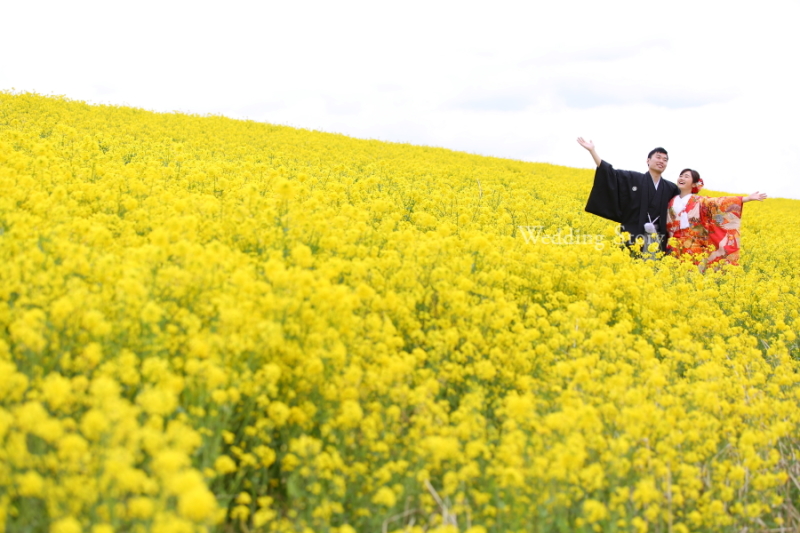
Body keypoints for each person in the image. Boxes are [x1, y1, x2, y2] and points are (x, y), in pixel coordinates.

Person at [577, 138, 679, 256]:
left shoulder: (671, 188)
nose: (662, 161)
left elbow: (679, 209)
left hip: (657, 237)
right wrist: (592, 151)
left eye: (665, 160)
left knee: (653, 268)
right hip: (633, 233)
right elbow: (610, 173)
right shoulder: (632, 178)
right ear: (648, 160)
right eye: (658, 157)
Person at [666, 168, 766, 268]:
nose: (682, 178)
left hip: (693, 248)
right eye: (681, 176)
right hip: (672, 246)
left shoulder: (700, 201)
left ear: (693, 184)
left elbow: (720, 202)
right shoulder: (671, 201)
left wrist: (746, 198)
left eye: (686, 176)